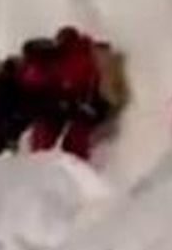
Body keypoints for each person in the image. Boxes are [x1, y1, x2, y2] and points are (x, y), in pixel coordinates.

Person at [26, 27, 110, 161]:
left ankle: (46, 163)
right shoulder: (64, 59)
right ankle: (73, 165)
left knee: (55, 130)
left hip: (81, 105)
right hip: (73, 105)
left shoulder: (78, 57)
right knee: (54, 128)